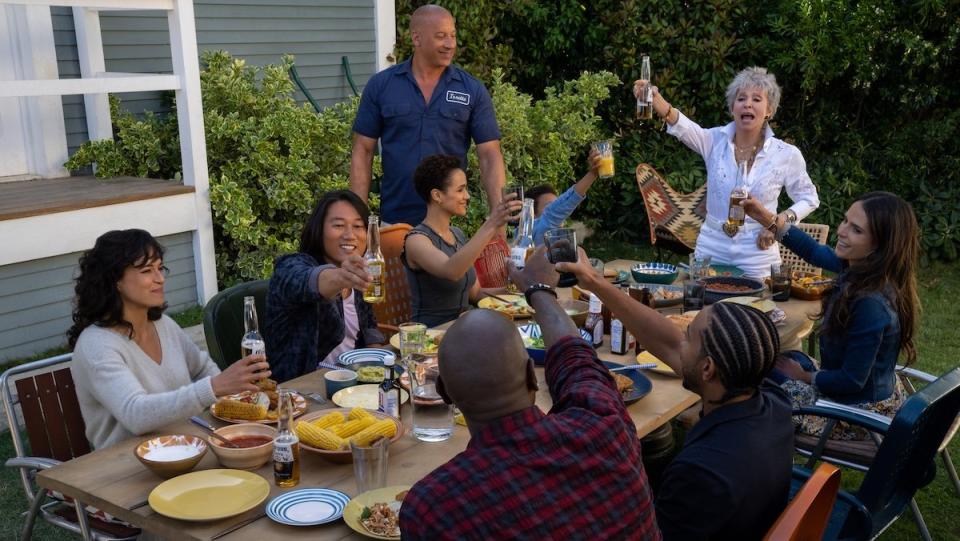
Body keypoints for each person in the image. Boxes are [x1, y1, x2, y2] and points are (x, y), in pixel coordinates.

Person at [400, 247, 661, 540]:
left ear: (443, 393)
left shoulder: (434, 507)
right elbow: (575, 357)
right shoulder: (604, 425)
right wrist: (538, 290)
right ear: (531, 375)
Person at [559, 250, 794, 540]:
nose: (679, 341)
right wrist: (594, 281)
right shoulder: (772, 403)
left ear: (707, 369)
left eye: (689, 338)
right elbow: (668, 342)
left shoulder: (701, 473)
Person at [69, 229, 268, 449]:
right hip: (126, 467)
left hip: (186, 447)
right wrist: (214, 387)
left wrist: (226, 401)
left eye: (160, 268)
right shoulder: (96, 345)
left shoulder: (163, 325)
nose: (160, 279)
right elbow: (136, 414)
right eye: (147, 270)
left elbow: (202, 367)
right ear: (115, 280)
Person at [742, 191, 920, 437]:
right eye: (845, 221)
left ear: (880, 245)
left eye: (856, 229)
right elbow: (813, 251)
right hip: (862, 393)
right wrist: (766, 218)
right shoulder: (864, 271)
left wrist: (805, 376)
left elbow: (851, 381)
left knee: (752, 373)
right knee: (783, 357)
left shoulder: (870, 303)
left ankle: (746, 450)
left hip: (855, 413)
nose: (842, 231)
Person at [635, 66, 820, 277]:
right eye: (741, 99)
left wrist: (778, 223)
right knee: (704, 305)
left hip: (758, 253)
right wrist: (654, 97)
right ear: (733, 108)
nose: (747, 103)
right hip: (712, 247)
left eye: (757, 99)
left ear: (769, 110)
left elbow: (809, 198)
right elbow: (681, 125)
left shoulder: (786, 154)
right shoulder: (713, 140)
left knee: (758, 307)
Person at [350, 4, 506, 225]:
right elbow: (362, 151)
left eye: (453, 36)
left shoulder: (471, 89)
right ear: (417, 38)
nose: (450, 44)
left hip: (450, 225)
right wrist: (358, 220)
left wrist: (498, 217)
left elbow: (490, 156)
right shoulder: (382, 85)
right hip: (396, 223)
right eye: (441, 36)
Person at [264, 190, 385, 382]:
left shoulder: (358, 271)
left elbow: (368, 326)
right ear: (318, 229)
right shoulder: (291, 266)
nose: (349, 235)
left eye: (358, 226)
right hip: (302, 392)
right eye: (338, 225)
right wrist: (340, 277)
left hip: (352, 384)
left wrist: (379, 368)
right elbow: (304, 281)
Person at [402, 155, 521, 327]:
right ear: (437, 195)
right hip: (431, 335)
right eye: (460, 190)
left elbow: (475, 293)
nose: (467, 196)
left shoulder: (457, 234)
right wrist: (492, 224)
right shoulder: (416, 240)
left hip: (464, 328)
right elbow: (451, 271)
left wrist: (517, 289)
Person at [527, 147, 602, 245]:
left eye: (556, 204)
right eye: (549, 207)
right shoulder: (533, 234)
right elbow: (553, 213)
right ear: (532, 216)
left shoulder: (562, 243)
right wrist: (592, 174)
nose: (559, 212)